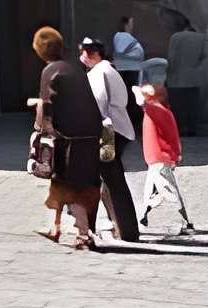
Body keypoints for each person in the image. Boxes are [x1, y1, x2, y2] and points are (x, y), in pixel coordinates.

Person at [32, 29, 104, 251]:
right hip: (90, 134)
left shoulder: (50, 71)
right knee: (64, 182)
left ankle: (83, 234)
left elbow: (47, 107)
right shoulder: (74, 68)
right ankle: (54, 227)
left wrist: (41, 132)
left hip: (69, 138)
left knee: (71, 184)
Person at [79, 35, 143, 245]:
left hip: (108, 132)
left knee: (110, 180)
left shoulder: (100, 72)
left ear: (95, 53)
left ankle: (121, 229)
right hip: (116, 130)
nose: (83, 57)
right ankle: (121, 227)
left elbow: (97, 103)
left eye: (85, 52)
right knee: (109, 180)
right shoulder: (107, 69)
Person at [136, 70, 198, 238]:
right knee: (153, 191)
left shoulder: (158, 111)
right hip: (157, 159)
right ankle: (143, 217)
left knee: (168, 191)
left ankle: (186, 222)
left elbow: (144, 102)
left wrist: (175, 155)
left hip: (159, 159)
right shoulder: (162, 111)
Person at [163, 11, 208, 136]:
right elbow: (205, 55)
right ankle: (192, 129)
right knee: (192, 106)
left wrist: (168, 74)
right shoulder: (201, 38)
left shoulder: (176, 37)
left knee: (178, 106)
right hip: (194, 78)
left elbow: (171, 58)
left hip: (177, 79)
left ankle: (179, 128)